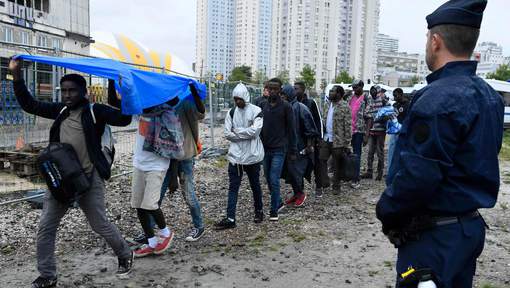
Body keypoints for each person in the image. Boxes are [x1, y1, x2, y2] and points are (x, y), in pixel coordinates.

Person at [376, 1, 504, 287]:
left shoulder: (436, 99)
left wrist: (386, 211)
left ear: (435, 41)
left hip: (434, 239)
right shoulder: (489, 96)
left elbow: (418, 175)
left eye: (426, 38)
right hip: (467, 231)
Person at [9, 59, 134, 288]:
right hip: (62, 181)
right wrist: (17, 77)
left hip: (89, 178)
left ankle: (125, 253)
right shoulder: (61, 111)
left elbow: (124, 118)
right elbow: (30, 104)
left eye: (72, 91)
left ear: (83, 92)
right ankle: (48, 275)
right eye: (64, 90)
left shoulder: (95, 111)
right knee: (46, 227)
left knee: (100, 224)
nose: (67, 95)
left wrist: (119, 88)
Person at [130, 100, 180, 257]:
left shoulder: (168, 117)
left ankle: (165, 233)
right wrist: (114, 81)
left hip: (157, 166)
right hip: (139, 164)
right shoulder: (140, 113)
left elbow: (176, 148)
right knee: (138, 205)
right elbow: (116, 102)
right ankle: (151, 242)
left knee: (150, 205)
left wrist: (174, 177)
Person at [215, 83, 264, 229]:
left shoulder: (257, 111)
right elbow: (227, 134)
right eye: (235, 99)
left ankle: (259, 211)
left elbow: (255, 132)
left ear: (245, 97)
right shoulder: (231, 112)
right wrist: (245, 132)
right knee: (233, 187)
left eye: (239, 99)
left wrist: (238, 131)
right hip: (235, 157)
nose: (237, 102)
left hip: (252, 156)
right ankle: (230, 218)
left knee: (255, 185)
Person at [260, 78, 297, 221]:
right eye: (271, 89)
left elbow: (292, 130)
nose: (273, 91)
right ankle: (279, 201)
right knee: (268, 179)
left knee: (274, 179)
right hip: (265, 149)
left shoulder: (286, 107)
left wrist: (293, 150)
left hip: (279, 149)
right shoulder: (263, 105)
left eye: (276, 89)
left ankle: (274, 210)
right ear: (267, 89)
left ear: (280, 90)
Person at [281, 84, 318, 206]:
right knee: (290, 171)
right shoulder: (285, 107)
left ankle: (301, 193)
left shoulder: (300, 108)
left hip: (299, 145)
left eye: (284, 95)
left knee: (297, 170)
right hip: (287, 145)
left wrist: (309, 146)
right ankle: (296, 193)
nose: (282, 97)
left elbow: (310, 128)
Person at [317, 86, 352, 196]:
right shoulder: (327, 104)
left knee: (337, 164)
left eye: (332, 91)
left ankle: (336, 186)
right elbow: (323, 119)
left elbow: (348, 125)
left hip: (338, 140)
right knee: (321, 160)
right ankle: (325, 181)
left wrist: (347, 143)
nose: (330, 93)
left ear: (339, 94)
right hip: (326, 138)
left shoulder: (345, 106)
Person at [294, 81, 323, 197]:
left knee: (316, 164)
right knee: (298, 165)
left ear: (303, 90)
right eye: (293, 89)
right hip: (300, 141)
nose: (295, 91)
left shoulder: (311, 102)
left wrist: (320, 138)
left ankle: (319, 186)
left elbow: (319, 120)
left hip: (313, 140)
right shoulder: (294, 103)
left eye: (296, 89)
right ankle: (299, 191)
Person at [362, 85, 388, 181]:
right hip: (372, 130)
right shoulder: (369, 100)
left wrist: (381, 118)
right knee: (370, 152)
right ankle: (369, 171)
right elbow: (366, 112)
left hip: (380, 130)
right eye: (371, 90)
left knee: (380, 152)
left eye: (374, 90)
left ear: (377, 91)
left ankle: (380, 172)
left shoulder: (383, 99)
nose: (372, 92)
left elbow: (390, 112)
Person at [347, 79, 370, 189]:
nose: (354, 89)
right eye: (353, 87)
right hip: (349, 130)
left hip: (359, 131)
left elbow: (369, 118)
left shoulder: (366, 98)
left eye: (356, 87)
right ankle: (348, 175)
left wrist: (366, 134)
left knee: (357, 154)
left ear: (361, 86)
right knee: (347, 153)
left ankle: (356, 179)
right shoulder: (350, 97)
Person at [387, 88, 409, 170]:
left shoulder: (407, 105)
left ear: (401, 94)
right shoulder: (395, 105)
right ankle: (390, 170)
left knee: (402, 152)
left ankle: (400, 170)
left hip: (403, 131)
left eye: (396, 95)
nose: (394, 97)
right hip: (394, 131)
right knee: (391, 151)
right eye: (393, 96)